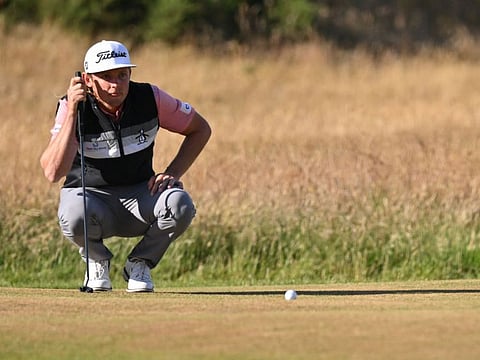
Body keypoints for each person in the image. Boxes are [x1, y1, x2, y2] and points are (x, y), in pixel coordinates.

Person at [40, 40, 211, 292]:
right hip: (91, 199)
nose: (115, 84)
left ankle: (139, 264)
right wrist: (74, 114)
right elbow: (53, 172)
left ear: (130, 74)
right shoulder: (71, 106)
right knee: (72, 214)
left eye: (122, 75)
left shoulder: (150, 98)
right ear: (87, 80)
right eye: (105, 76)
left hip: (141, 196)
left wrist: (172, 172)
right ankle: (96, 260)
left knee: (179, 203)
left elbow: (200, 129)